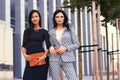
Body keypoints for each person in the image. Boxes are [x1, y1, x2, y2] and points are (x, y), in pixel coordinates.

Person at [49, 10, 80, 80]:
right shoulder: (51, 32)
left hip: (67, 57)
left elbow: (77, 44)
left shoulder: (69, 29)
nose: (59, 18)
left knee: (73, 78)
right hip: (54, 58)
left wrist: (65, 48)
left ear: (64, 18)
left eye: (61, 17)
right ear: (54, 19)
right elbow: (50, 45)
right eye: (57, 17)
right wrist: (53, 48)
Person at [21, 10, 51, 80]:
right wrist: (24, 55)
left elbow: (48, 46)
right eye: (32, 17)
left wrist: (44, 56)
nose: (34, 18)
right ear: (30, 19)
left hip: (41, 60)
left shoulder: (44, 32)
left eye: (36, 16)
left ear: (39, 18)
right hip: (30, 60)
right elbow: (24, 45)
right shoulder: (27, 31)